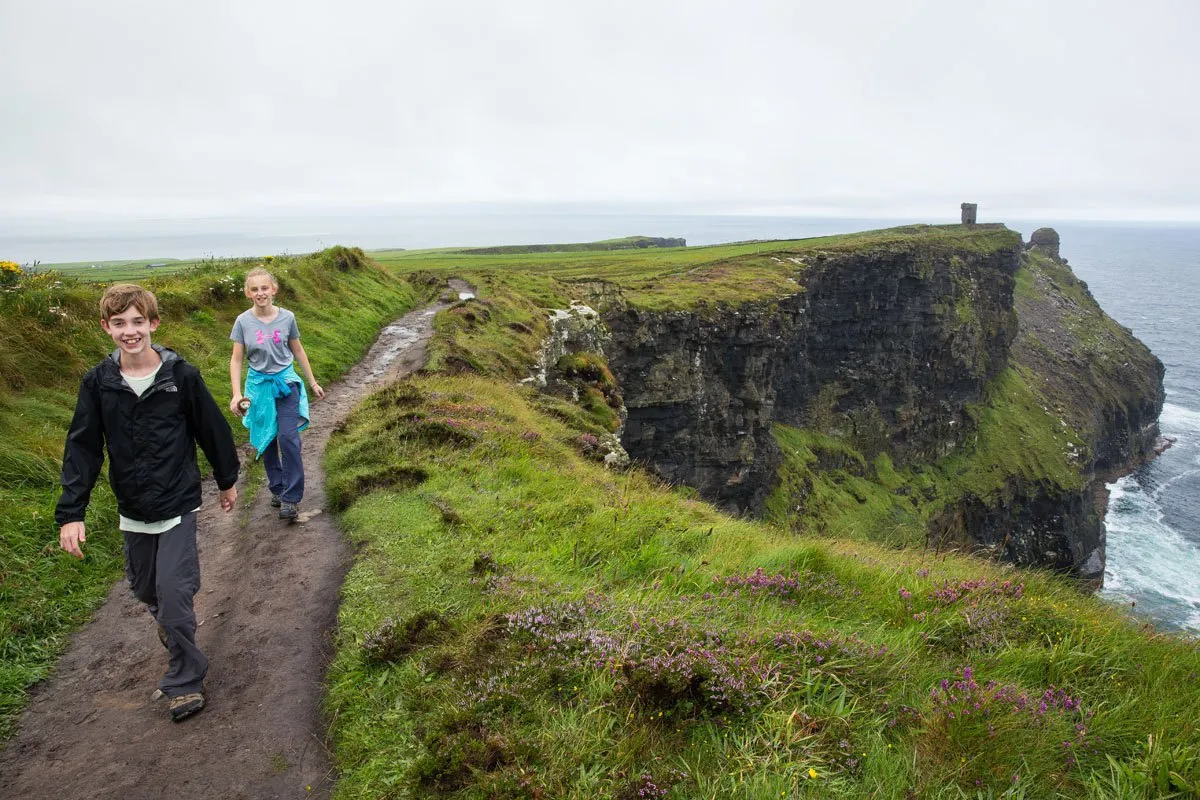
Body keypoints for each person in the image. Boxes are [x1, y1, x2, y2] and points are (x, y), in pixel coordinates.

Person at [56, 283, 239, 722]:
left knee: (175, 594)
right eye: (119, 323)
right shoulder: (98, 382)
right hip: (133, 507)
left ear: (153, 324)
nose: (129, 331)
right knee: (145, 589)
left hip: (177, 502)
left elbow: (211, 430)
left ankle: (184, 679)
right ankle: (175, 632)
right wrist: (72, 513)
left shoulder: (181, 376)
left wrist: (227, 480)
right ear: (106, 327)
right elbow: (83, 448)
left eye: (138, 321)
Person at [228, 267, 324, 521]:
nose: (261, 293)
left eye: (265, 288)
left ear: (274, 289)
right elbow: (237, 360)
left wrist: (312, 382)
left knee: (288, 438)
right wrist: (236, 394)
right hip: (258, 388)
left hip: (286, 384)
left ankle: (291, 498)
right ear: (248, 293)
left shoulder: (287, 317)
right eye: (255, 289)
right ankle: (277, 488)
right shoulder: (242, 322)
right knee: (267, 440)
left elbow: (299, 351)